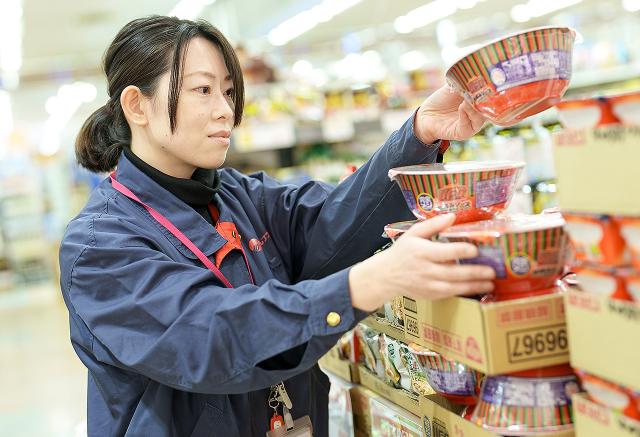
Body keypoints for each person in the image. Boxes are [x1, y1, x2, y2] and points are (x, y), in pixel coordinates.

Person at [59, 15, 495, 437]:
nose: (225, 111)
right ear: (137, 104)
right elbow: (207, 336)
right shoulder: (99, 247)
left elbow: (332, 222)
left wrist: (418, 135)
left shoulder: (239, 195)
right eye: (203, 90)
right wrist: (364, 283)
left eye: (228, 92)